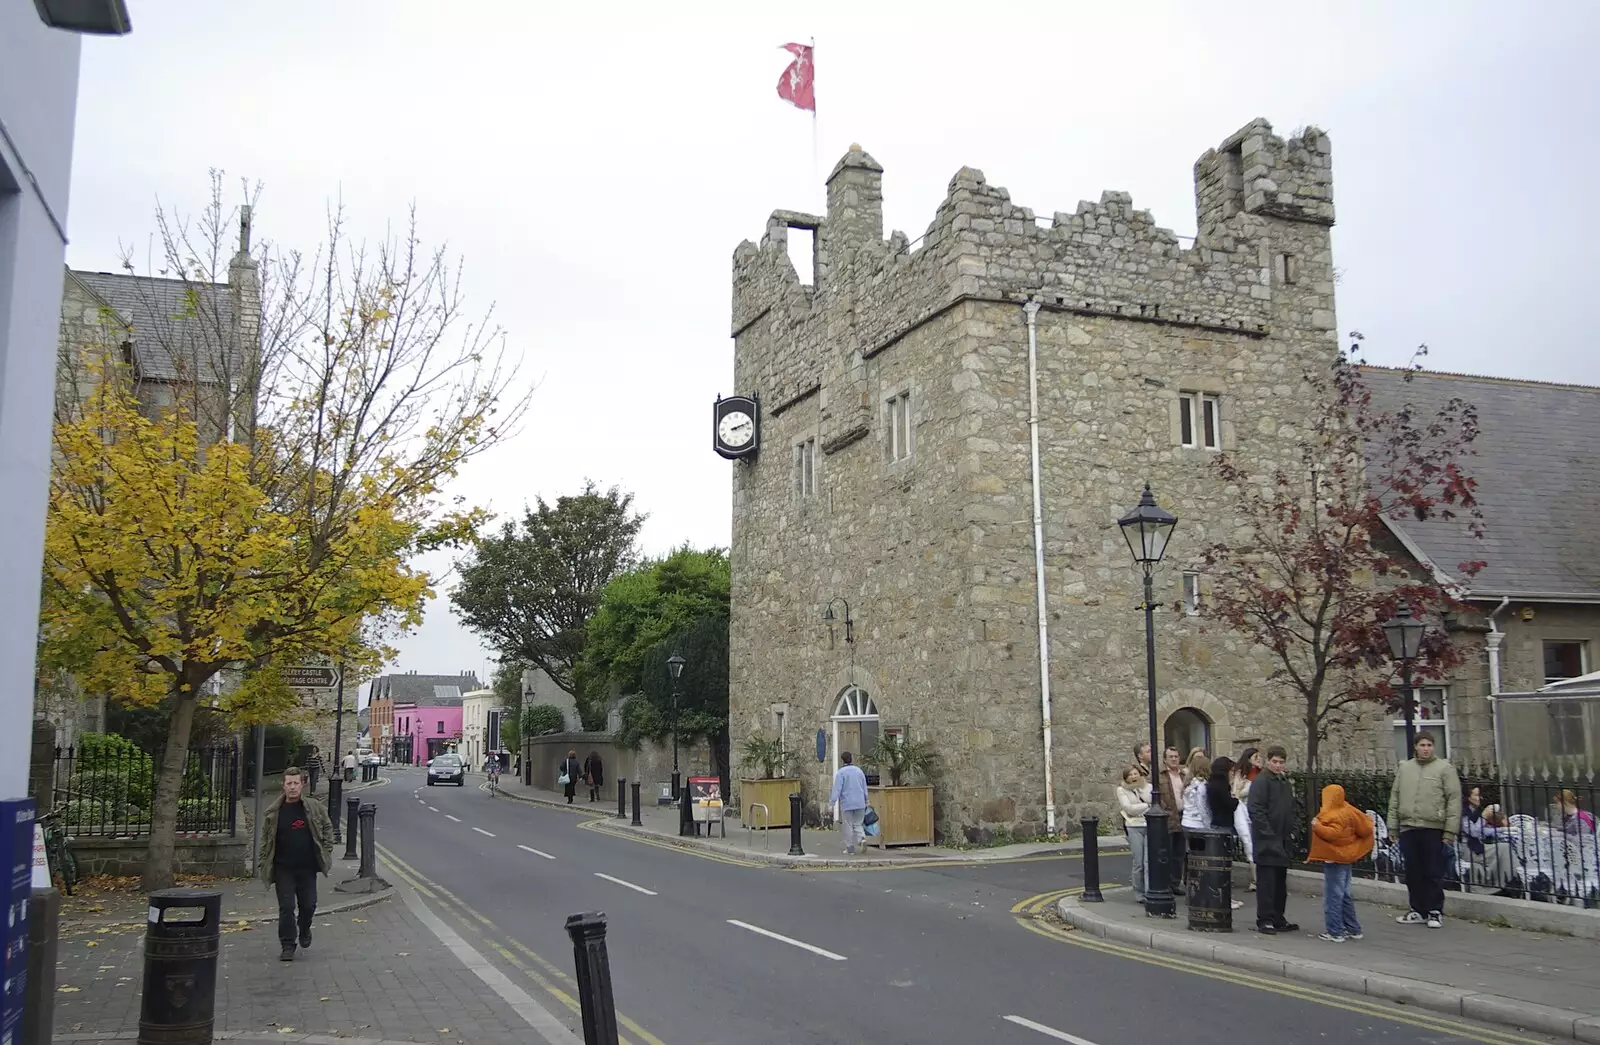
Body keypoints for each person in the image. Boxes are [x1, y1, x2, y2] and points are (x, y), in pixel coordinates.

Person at [259, 767, 333, 962]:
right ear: (283, 786)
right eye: (289, 783)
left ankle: (305, 928)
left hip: (307, 867)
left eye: (296, 783)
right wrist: (262, 862)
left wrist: (327, 850)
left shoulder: (313, 807)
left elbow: (327, 827)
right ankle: (287, 945)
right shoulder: (274, 812)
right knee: (286, 907)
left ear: (302, 785)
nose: (292, 787)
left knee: (308, 905)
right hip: (284, 867)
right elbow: (266, 841)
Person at [1388, 734, 1460, 928]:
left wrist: (1449, 832)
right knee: (1413, 872)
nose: (1426, 748)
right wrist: (1392, 826)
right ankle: (1417, 909)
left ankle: (1435, 910)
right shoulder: (1405, 769)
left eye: (1429, 745)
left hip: (1433, 827)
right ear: (1415, 747)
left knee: (1433, 871)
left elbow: (1453, 800)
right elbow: (1395, 797)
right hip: (1409, 827)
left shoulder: (1444, 769)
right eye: (1422, 745)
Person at [1309, 783, 1374, 942]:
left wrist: (1317, 826)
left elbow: (1333, 834)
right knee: (1345, 893)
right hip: (1347, 856)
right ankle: (1353, 928)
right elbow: (1365, 829)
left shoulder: (1333, 814)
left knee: (1333, 895)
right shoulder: (1350, 810)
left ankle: (1335, 931)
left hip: (1334, 857)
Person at [1248, 745, 1297, 935]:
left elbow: (1290, 808)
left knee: (1280, 883)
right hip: (1267, 842)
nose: (1278, 765)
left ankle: (1278, 917)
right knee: (1267, 882)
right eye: (1275, 762)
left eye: (1281, 762)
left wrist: (1293, 831)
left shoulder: (1283, 782)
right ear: (1268, 761)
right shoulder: (1261, 781)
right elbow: (1256, 810)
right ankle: (1265, 919)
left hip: (1283, 840)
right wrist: (1268, 834)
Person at [1116, 765, 1151, 904]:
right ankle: (1139, 893)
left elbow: (1154, 802)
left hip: (1149, 825)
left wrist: (1144, 800)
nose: (1133, 777)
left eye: (1136, 773)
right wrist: (1146, 806)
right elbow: (1128, 808)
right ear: (1126, 777)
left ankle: (1150, 892)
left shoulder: (1148, 788)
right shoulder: (1122, 790)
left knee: (1149, 862)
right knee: (1139, 862)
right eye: (1130, 775)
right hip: (1134, 826)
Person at [829, 750, 870, 855]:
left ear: (842, 761)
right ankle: (861, 839)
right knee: (858, 823)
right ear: (851, 758)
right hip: (860, 802)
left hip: (847, 803)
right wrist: (866, 800)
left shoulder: (841, 773)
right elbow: (864, 787)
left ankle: (850, 848)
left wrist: (832, 803)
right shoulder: (859, 771)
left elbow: (837, 789)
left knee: (847, 825)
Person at [1158, 746, 1186, 884]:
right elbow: (1156, 797)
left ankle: (1176, 882)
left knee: (1179, 853)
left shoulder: (1184, 775)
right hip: (1167, 817)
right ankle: (1166, 883)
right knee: (1167, 852)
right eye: (1171, 757)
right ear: (1165, 759)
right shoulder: (1160, 775)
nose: (1174, 759)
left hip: (1183, 816)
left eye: (1176, 756)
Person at [1229, 755, 1258, 892]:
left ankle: (1257, 878)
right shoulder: (1240, 775)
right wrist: (1240, 788)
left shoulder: (1260, 774)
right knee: (1248, 842)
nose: (1259, 759)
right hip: (1243, 811)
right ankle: (1254, 879)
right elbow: (1235, 794)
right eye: (1255, 757)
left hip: (1255, 812)